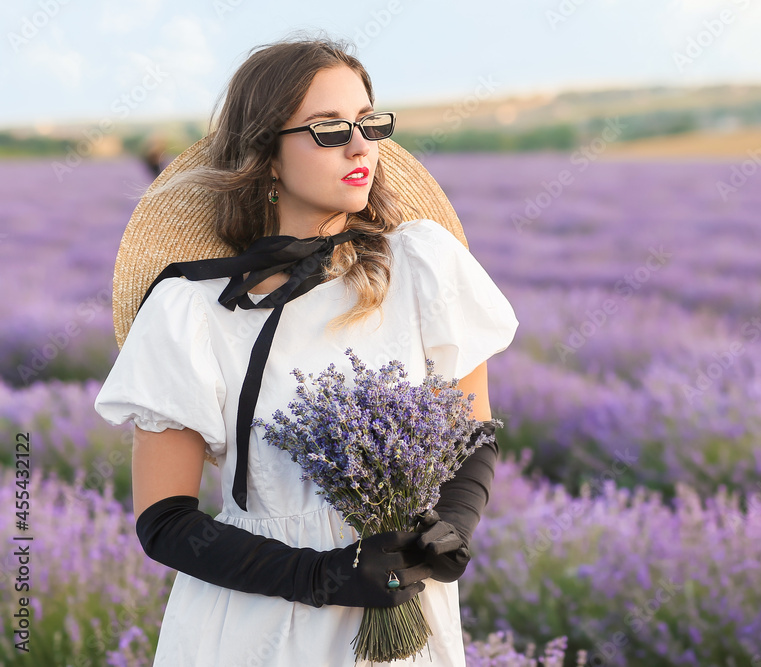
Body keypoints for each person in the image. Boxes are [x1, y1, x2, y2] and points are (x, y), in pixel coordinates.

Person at [93, 33, 518, 666]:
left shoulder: (422, 266)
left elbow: (472, 432)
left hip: (407, 612)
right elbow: (165, 521)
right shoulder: (193, 309)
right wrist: (324, 575)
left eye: (369, 124)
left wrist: (452, 522)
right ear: (266, 154)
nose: (359, 146)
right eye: (326, 130)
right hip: (255, 626)